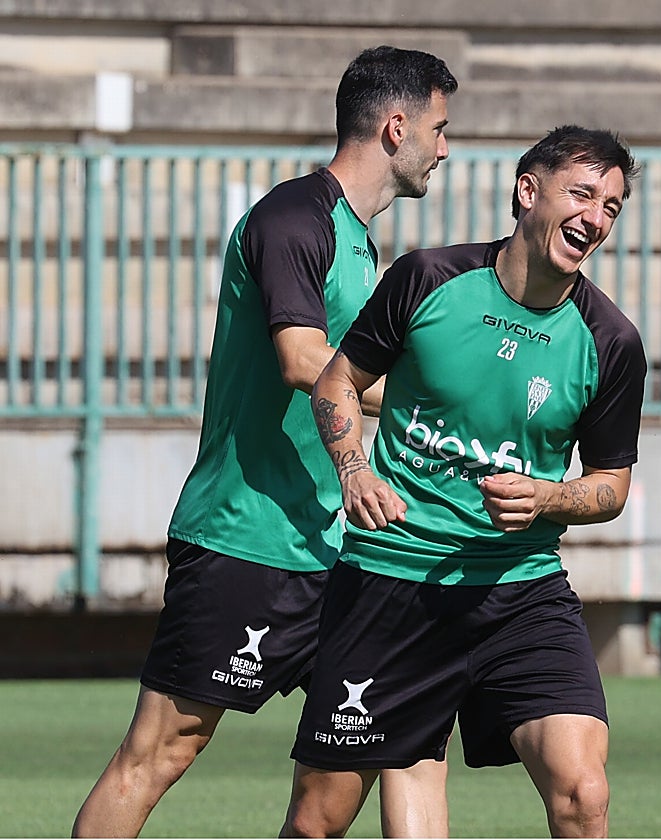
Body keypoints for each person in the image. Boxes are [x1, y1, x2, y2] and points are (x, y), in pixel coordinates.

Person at [72, 47, 459, 838]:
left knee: (342, 777)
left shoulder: (358, 238)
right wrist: (431, 409)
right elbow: (302, 360)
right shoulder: (293, 218)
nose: (446, 148)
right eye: (440, 127)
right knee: (159, 754)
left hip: (339, 552)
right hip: (248, 538)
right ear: (396, 127)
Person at [280, 125, 646, 838]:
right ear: (527, 192)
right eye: (582, 193)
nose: (596, 218)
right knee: (320, 816)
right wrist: (353, 469)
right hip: (392, 580)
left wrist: (550, 497)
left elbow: (610, 485)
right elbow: (335, 383)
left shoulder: (611, 341)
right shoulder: (427, 279)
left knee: (584, 792)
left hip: (520, 590)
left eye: (611, 206)